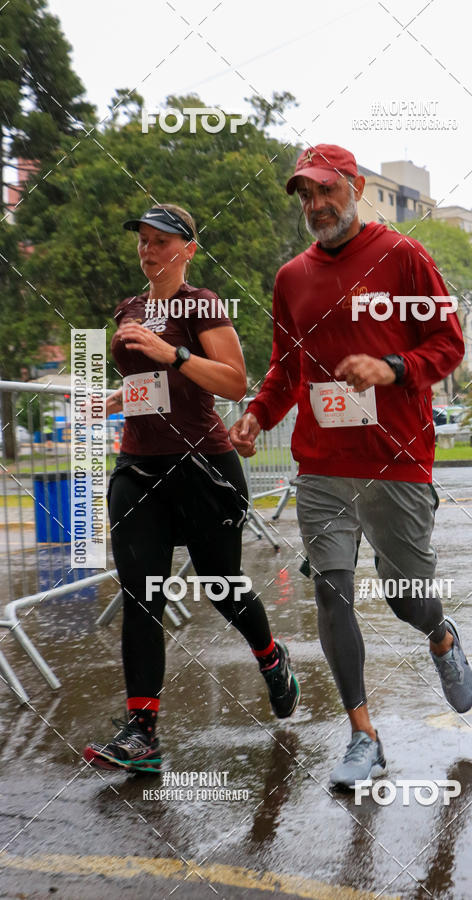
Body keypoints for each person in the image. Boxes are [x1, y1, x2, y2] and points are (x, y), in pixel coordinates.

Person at [230, 146, 472, 789]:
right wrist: (258, 415)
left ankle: (440, 633)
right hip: (322, 463)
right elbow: (289, 367)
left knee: (404, 598)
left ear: (355, 188)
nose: (315, 206)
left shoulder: (403, 257)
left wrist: (392, 368)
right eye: (305, 196)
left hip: (396, 459)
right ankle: (362, 734)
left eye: (325, 191)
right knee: (331, 588)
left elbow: (448, 343)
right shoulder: (291, 279)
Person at [84, 204, 299, 773]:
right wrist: (111, 401)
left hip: (203, 466)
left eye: (161, 242)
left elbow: (234, 380)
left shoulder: (201, 304)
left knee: (221, 587)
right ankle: (143, 735)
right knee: (141, 595)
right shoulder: (129, 309)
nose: (148, 251)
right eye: (143, 242)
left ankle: (271, 656)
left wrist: (173, 353)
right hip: (138, 468)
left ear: (187, 250)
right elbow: (150, 389)